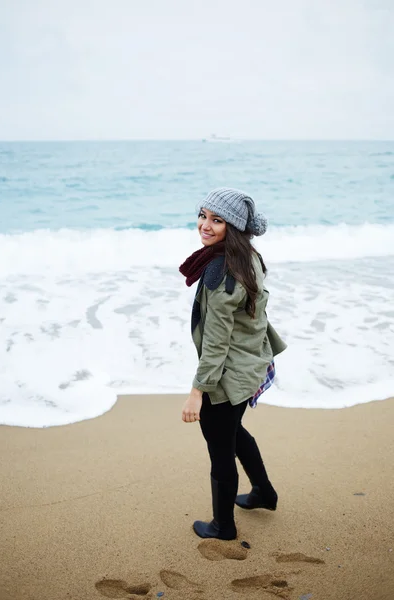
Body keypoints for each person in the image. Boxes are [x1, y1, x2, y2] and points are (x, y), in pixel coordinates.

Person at [179, 188, 287, 541]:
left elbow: (216, 341)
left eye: (216, 220)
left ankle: (223, 526)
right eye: (203, 215)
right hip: (252, 361)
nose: (204, 226)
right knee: (233, 431)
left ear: (234, 227)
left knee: (219, 444)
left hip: (230, 372)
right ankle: (264, 493)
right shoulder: (247, 256)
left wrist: (198, 391)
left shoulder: (221, 273)